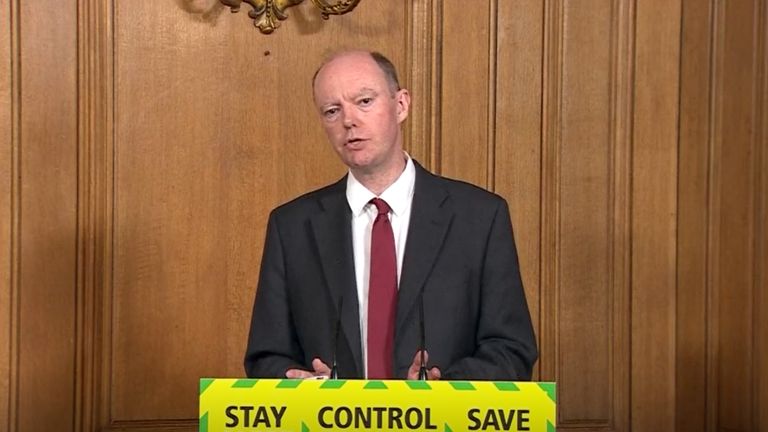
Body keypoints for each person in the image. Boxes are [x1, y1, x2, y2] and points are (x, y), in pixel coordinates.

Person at [244, 50, 537, 380]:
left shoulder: (480, 217)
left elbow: (512, 350)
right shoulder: (292, 227)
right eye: (331, 110)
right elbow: (265, 357)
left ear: (401, 105)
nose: (348, 120)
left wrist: (443, 394)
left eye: (364, 101)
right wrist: (297, 383)